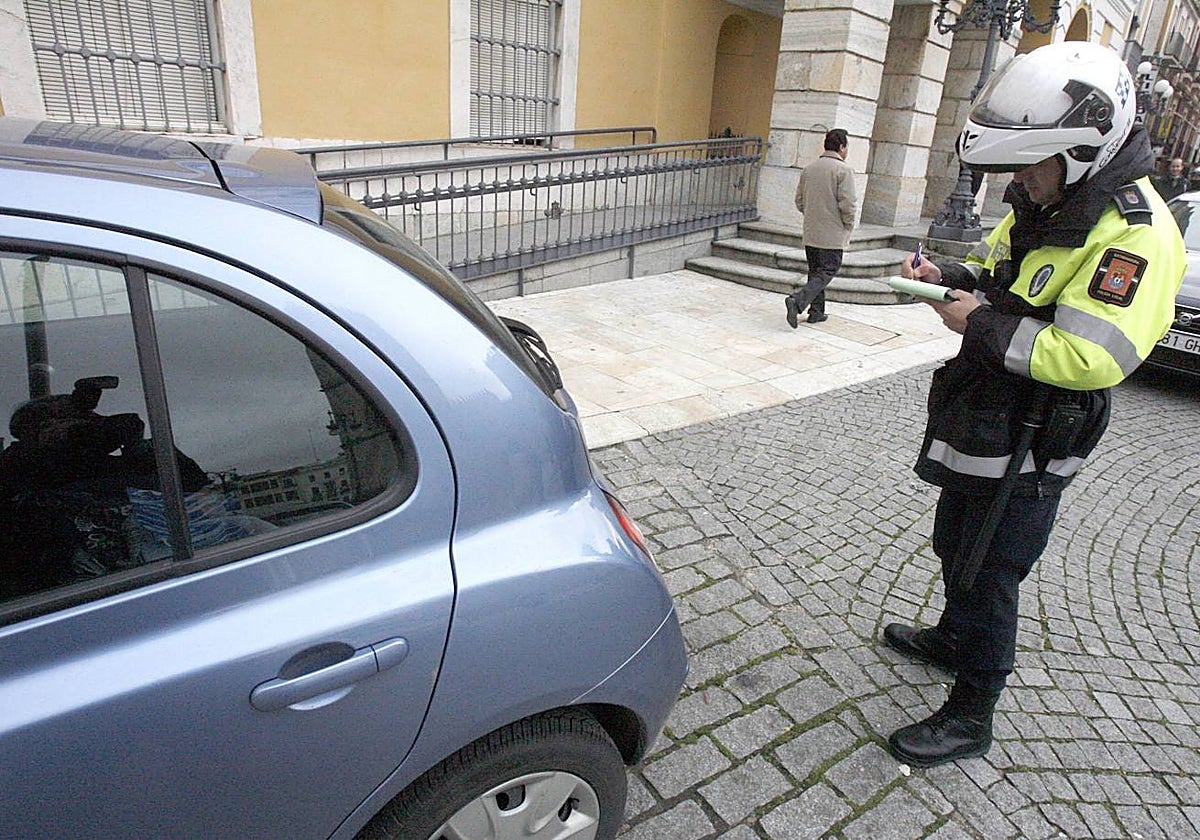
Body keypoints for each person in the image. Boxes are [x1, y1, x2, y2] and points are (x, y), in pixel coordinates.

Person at [885, 41, 1184, 769]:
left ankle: (972, 711)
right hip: (990, 411)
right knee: (956, 542)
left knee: (993, 570)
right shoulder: (1045, 200)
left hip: (1038, 433)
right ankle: (950, 640)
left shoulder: (1133, 236)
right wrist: (947, 277)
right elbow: (1001, 274)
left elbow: (1093, 358)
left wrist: (977, 324)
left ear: (1083, 153)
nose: (1020, 176)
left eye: (1033, 161)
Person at [787, 128, 857, 327]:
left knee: (816, 271)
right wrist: (848, 224)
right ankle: (798, 301)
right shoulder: (843, 170)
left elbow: (799, 200)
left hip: (811, 231)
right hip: (832, 233)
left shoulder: (809, 168)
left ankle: (817, 311)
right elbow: (848, 203)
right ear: (842, 147)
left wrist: (813, 215)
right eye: (846, 146)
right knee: (827, 271)